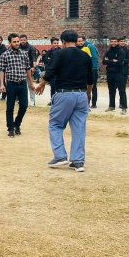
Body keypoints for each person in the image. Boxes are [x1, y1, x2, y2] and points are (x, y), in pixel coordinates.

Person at [35, 30, 93, 172]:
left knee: (55, 124)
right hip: (81, 94)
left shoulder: (59, 54)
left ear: (63, 42)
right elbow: (91, 78)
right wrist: (88, 93)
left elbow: (50, 72)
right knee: (79, 128)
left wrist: (41, 84)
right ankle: (78, 161)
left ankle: (60, 156)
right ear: (77, 41)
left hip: (64, 93)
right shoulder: (85, 56)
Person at [0, 33, 36, 138]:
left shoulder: (24, 54)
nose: (17, 43)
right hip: (11, 84)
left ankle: (17, 124)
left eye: (18, 41)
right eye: (14, 42)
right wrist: (2, 84)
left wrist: (31, 83)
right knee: (10, 107)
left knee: (24, 106)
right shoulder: (4, 55)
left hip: (22, 84)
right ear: (10, 42)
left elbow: (27, 69)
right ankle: (10, 128)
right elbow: (2, 70)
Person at [103, 37, 126, 114]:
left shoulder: (121, 51)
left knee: (121, 90)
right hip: (110, 73)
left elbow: (119, 62)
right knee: (111, 90)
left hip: (119, 73)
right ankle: (111, 106)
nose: (113, 43)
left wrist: (109, 61)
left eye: (115, 41)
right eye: (112, 41)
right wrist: (113, 60)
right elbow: (103, 61)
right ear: (110, 42)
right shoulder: (108, 51)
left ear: (118, 42)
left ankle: (124, 108)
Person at [77, 35, 99, 108]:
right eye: (78, 41)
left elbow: (94, 58)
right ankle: (85, 103)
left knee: (93, 86)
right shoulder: (79, 48)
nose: (80, 42)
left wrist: (92, 69)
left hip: (92, 69)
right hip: (84, 70)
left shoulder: (89, 46)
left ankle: (94, 103)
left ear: (84, 41)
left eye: (81, 41)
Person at [19, 34, 39, 106]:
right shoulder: (18, 47)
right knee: (21, 86)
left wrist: (33, 67)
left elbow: (34, 58)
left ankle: (32, 101)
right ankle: (21, 100)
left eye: (24, 40)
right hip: (20, 69)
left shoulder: (31, 48)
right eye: (21, 40)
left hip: (29, 69)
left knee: (30, 85)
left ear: (26, 40)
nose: (23, 41)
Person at [42, 37, 61, 104]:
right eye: (55, 43)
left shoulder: (61, 51)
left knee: (59, 87)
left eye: (57, 43)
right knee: (52, 87)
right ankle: (52, 100)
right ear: (51, 44)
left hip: (60, 73)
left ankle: (59, 100)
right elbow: (47, 62)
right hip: (52, 73)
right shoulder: (48, 52)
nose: (56, 44)